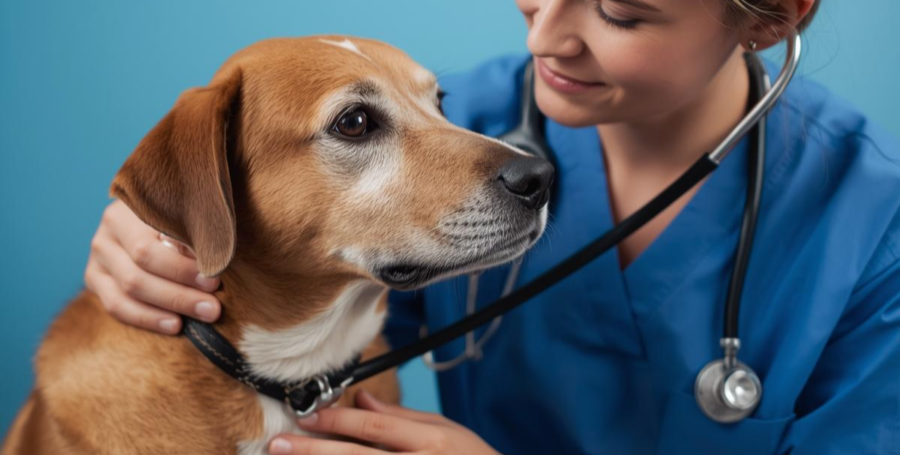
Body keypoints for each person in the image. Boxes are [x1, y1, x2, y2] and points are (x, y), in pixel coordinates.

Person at [83, 0, 900, 453]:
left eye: (618, 10)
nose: (543, 34)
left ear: (769, 20)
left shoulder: (871, 229)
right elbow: (275, 258)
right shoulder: (471, 120)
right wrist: (150, 237)